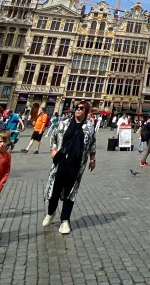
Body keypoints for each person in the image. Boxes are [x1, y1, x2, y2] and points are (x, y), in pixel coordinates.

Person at [43, 100, 97, 234]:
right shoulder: (64, 123)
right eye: (77, 108)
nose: (78, 110)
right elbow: (53, 138)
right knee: (55, 191)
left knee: (70, 192)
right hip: (60, 162)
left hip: (77, 164)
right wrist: (53, 151)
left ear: (86, 112)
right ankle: (50, 212)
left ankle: (65, 220)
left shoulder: (89, 127)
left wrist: (92, 160)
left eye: (81, 108)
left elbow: (92, 144)